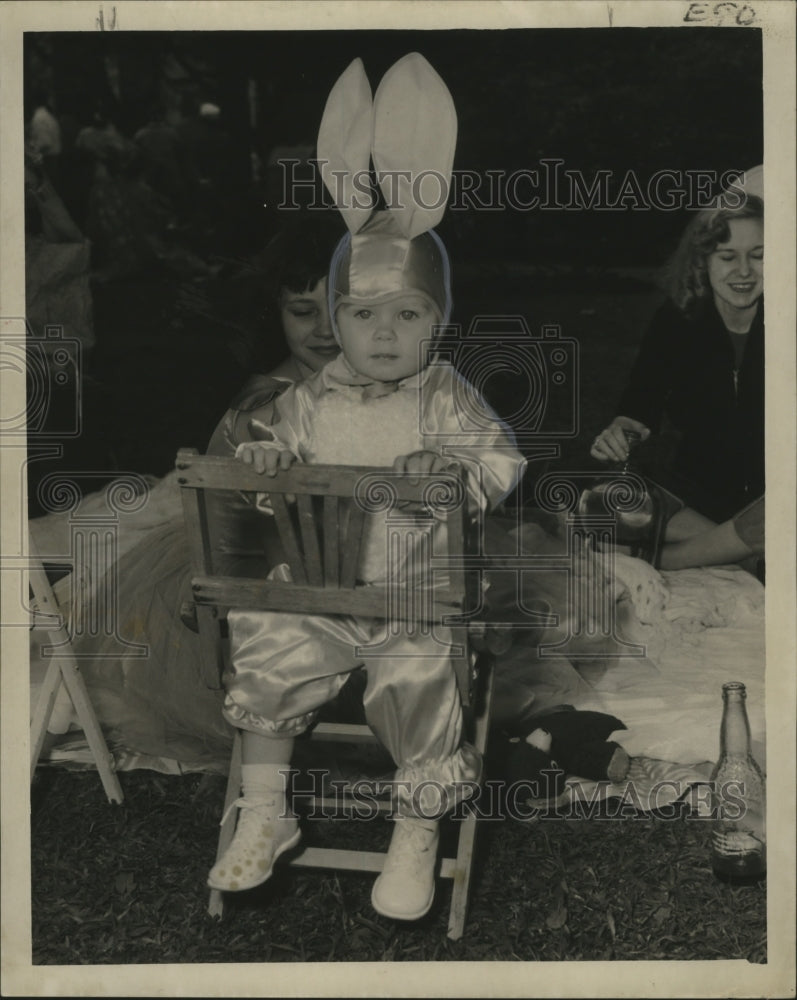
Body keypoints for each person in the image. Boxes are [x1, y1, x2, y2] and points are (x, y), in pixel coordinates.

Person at [206, 53, 526, 922]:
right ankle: (266, 812)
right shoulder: (306, 397)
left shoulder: (444, 395)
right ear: (335, 318)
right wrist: (268, 462)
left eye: (407, 316)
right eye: (360, 314)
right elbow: (270, 457)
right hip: (324, 589)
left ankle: (414, 829)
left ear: (438, 320)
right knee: (265, 629)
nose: (382, 335)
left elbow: (502, 462)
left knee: (417, 672)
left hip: (419, 595)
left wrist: (452, 470)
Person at [30, 214, 344, 765]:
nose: (325, 330)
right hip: (259, 563)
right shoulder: (265, 402)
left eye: (343, 311)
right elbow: (234, 522)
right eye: (303, 312)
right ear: (276, 312)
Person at [590, 168, 764, 525]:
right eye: (728, 257)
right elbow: (640, 405)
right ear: (702, 262)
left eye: (758, 255)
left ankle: (703, 555)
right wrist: (619, 436)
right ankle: (736, 553)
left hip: (774, 497)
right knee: (604, 506)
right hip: (698, 494)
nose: (744, 271)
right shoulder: (677, 320)